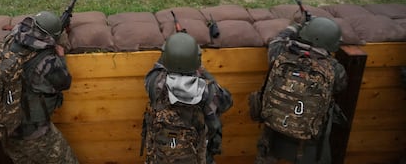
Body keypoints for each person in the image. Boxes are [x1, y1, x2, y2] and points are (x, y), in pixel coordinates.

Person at [255, 17, 347, 164]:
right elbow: (340, 86)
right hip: (310, 142)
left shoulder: (280, 53)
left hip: (274, 133)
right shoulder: (334, 68)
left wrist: (297, 26)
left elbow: (277, 39)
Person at [142, 32, 233, 164]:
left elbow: (157, 67)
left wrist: (173, 51)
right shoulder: (208, 91)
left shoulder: (155, 84)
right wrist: (202, 70)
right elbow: (227, 101)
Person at [1, 11, 79, 164]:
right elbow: (65, 82)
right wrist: (61, 56)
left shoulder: (10, 43)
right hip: (33, 133)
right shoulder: (47, 62)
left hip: (7, 128)